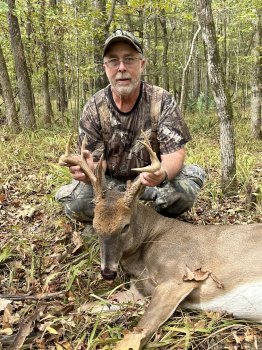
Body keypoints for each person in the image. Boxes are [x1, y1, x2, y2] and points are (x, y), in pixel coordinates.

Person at [55, 29, 205, 226]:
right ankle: (137, 216)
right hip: (111, 184)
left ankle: (132, 217)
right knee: (76, 204)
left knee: (181, 196)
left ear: (142, 64)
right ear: (105, 67)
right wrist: (90, 169)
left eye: (129, 59)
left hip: (149, 182)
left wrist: (161, 173)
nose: (122, 68)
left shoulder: (161, 100)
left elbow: (175, 154)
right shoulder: (95, 106)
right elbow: (97, 162)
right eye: (114, 61)